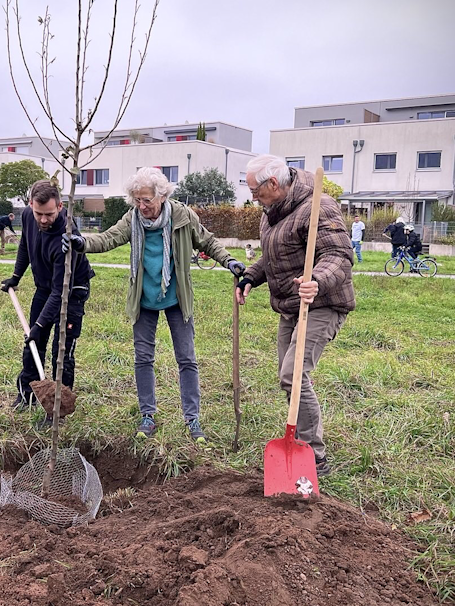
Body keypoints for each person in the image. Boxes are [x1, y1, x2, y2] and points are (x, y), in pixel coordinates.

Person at [63, 167, 246, 444]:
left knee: (187, 358)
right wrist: (82, 242)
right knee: (143, 358)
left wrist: (229, 261)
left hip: (176, 297)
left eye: (146, 199)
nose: (141, 205)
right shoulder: (132, 219)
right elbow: (109, 237)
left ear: (162, 196)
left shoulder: (182, 216)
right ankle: (147, 414)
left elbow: (207, 240)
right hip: (144, 299)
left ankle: (192, 418)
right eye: (137, 200)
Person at [235, 154, 355, 477]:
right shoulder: (271, 212)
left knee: (293, 374)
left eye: (255, 192)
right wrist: (250, 277)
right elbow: (273, 256)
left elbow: (340, 256)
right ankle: (301, 438)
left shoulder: (319, 206)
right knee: (290, 378)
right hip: (291, 306)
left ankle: (314, 455)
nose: (253, 199)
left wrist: (315, 280)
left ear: (273, 183)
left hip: (323, 303)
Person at [0, 181, 94, 426]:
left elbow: (59, 291)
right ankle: (27, 394)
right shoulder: (29, 218)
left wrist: (40, 324)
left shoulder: (68, 238)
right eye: (38, 213)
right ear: (30, 205)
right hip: (44, 288)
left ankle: (57, 410)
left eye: (49, 214)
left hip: (71, 292)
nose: (43, 220)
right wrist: (16, 277)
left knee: (60, 352)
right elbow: (24, 246)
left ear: (60, 207)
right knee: (33, 343)